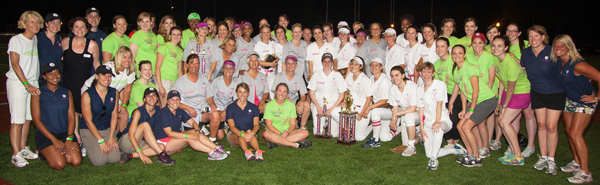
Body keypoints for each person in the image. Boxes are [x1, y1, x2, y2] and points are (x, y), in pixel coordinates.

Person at [553, 34, 599, 183]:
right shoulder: (560, 62)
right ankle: (576, 162)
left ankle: (586, 173)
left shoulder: (578, 64)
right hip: (570, 100)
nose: (558, 48)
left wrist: (596, 98)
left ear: (569, 47)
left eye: (562, 45)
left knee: (575, 134)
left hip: (584, 102)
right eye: (556, 45)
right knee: (569, 132)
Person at [520, 26, 564, 175]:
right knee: (541, 125)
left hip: (555, 93)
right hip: (537, 92)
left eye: (536, 36)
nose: (533, 39)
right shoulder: (526, 53)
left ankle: (551, 160)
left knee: (551, 126)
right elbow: (524, 69)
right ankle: (543, 157)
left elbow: (566, 65)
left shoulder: (552, 51)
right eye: (530, 36)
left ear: (543, 37)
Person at [449, 45, 498, 167]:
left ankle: (476, 158)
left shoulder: (470, 68)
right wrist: (464, 108)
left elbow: (476, 90)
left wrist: (471, 109)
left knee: (466, 127)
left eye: (460, 53)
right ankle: (470, 154)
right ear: (451, 56)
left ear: (465, 55)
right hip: (476, 101)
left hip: (487, 99)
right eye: (454, 53)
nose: (457, 56)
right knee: (460, 126)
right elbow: (463, 91)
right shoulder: (456, 71)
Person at [7, 11, 44, 167]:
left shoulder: (34, 39)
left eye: (37, 22)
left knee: (28, 118)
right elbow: (15, 64)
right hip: (19, 83)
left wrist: (32, 84)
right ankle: (15, 154)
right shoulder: (16, 40)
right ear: (23, 24)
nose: (35, 25)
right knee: (17, 120)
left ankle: (22, 149)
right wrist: (26, 85)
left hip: (32, 83)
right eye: (31, 22)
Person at [31, 62, 82, 170]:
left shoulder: (66, 92)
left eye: (57, 73)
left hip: (64, 133)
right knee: (60, 164)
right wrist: (54, 140)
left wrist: (69, 138)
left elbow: (72, 117)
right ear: (44, 76)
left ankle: (57, 152)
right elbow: (36, 121)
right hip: (47, 135)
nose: (55, 76)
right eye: (50, 74)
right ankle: (42, 152)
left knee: (75, 161)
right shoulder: (38, 93)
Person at [153, 90, 229, 160]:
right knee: (190, 138)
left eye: (177, 99)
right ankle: (212, 152)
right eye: (172, 99)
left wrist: (196, 131)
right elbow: (169, 133)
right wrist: (188, 136)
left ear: (180, 101)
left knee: (193, 131)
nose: (175, 102)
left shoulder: (179, 111)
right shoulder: (163, 113)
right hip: (164, 142)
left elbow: (193, 123)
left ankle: (216, 148)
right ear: (167, 101)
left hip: (175, 138)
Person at [492, 35, 531, 165]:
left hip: (520, 92)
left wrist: (503, 107)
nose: (495, 48)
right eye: (493, 45)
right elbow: (502, 80)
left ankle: (518, 156)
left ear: (506, 47)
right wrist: (499, 98)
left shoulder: (511, 64)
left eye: (499, 46)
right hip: (508, 91)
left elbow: (511, 89)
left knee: (504, 121)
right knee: (502, 122)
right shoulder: (496, 59)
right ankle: (514, 152)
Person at [81, 46, 136, 132]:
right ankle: (89, 135)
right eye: (124, 57)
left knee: (123, 113)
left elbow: (127, 89)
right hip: (91, 89)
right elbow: (96, 84)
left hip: (111, 94)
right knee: (100, 113)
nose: (127, 60)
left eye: (129, 57)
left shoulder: (130, 70)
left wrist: (124, 105)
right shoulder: (109, 67)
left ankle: (121, 136)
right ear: (118, 57)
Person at [174, 54, 223, 145]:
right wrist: (188, 108)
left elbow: (209, 97)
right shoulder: (180, 82)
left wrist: (212, 105)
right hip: (189, 114)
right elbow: (174, 103)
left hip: (203, 110)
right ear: (187, 65)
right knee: (193, 138)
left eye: (197, 63)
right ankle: (199, 128)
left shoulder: (204, 79)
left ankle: (212, 139)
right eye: (192, 63)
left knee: (215, 114)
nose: (194, 66)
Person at [118, 87, 175, 165]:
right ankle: (161, 155)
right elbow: (131, 135)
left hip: (141, 142)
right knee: (145, 125)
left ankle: (130, 155)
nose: (151, 98)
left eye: (154, 95)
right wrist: (141, 153)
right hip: (127, 141)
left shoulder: (158, 110)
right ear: (144, 99)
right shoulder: (138, 112)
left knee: (161, 147)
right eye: (148, 96)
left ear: (157, 98)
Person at [418, 62, 458, 170]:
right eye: (424, 72)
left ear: (433, 73)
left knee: (438, 129)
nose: (426, 74)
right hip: (428, 122)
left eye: (429, 72)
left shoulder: (440, 85)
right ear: (420, 73)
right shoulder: (419, 89)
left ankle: (434, 160)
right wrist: (422, 129)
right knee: (428, 153)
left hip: (443, 120)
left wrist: (437, 121)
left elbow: (440, 103)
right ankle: (454, 150)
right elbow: (421, 109)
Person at [80, 65, 120, 166]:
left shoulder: (114, 92)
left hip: (106, 128)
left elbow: (114, 116)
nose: (107, 78)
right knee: (100, 161)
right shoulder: (87, 95)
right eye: (104, 75)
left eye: (110, 76)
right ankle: (85, 143)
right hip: (89, 129)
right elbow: (88, 121)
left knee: (114, 158)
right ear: (96, 76)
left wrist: (111, 137)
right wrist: (101, 141)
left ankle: (104, 141)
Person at [465, 33, 498, 157]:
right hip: (474, 94)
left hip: (485, 95)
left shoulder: (489, 57)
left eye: (480, 43)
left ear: (484, 44)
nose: (477, 45)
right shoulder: (468, 57)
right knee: (474, 123)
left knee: (481, 123)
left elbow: (491, 79)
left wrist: (480, 98)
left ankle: (486, 148)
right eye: (474, 42)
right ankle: (478, 145)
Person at [62, 17, 101, 115]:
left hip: (84, 84)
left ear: (87, 29)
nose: (79, 29)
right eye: (76, 27)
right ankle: (73, 131)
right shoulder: (65, 42)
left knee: (84, 110)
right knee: (71, 111)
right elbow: (59, 59)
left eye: (82, 27)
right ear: (72, 29)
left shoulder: (92, 45)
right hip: (68, 83)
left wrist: (101, 79)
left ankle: (83, 130)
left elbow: (96, 63)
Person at [432, 37, 462, 150]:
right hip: (443, 95)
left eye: (442, 46)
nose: (440, 48)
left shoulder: (454, 61)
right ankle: (449, 142)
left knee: (454, 118)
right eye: (438, 46)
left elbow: (458, 83)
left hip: (456, 94)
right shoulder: (437, 63)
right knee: (444, 118)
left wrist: (451, 102)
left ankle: (456, 142)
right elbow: (438, 83)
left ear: (448, 47)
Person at [263, 83, 312, 149]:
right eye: (280, 91)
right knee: (266, 134)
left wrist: (287, 132)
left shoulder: (291, 105)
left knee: (305, 133)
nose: (282, 94)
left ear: (287, 94)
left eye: (284, 92)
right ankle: (295, 144)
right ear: (276, 92)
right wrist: (280, 134)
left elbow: (292, 124)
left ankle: (276, 142)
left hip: (288, 132)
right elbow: (269, 125)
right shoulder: (269, 105)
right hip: (274, 132)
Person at [308, 53, 347, 137]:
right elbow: (311, 93)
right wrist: (318, 108)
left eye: (329, 61)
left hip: (333, 105)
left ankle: (327, 121)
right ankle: (324, 122)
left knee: (334, 134)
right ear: (321, 62)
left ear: (332, 62)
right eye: (325, 61)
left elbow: (342, 94)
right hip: (319, 105)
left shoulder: (337, 75)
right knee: (318, 133)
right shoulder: (316, 74)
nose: (327, 64)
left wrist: (332, 110)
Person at [334, 57, 372, 141]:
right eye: (352, 64)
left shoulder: (365, 79)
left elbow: (369, 99)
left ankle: (372, 126)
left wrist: (361, 113)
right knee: (334, 112)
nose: (353, 66)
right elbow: (346, 91)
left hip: (362, 108)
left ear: (361, 66)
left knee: (359, 138)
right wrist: (344, 102)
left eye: (356, 64)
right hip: (351, 107)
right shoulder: (350, 75)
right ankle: (349, 127)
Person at [225, 83, 264, 161]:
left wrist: (252, 133)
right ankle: (247, 152)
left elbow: (256, 125)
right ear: (236, 92)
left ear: (248, 93)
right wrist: (243, 134)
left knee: (249, 131)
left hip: (250, 136)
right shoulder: (230, 107)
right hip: (234, 135)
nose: (242, 94)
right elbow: (232, 127)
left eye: (245, 92)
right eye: (240, 92)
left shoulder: (253, 107)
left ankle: (258, 152)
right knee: (242, 133)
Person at [387, 66, 420, 155]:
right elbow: (395, 108)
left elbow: (413, 108)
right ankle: (419, 137)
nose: (394, 78)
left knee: (408, 117)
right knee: (405, 144)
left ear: (403, 75)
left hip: (418, 113)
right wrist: (393, 122)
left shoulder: (411, 86)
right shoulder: (393, 89)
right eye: (392, 76)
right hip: (404, 114)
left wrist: (396, 115)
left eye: (397, 75)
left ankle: (412, 148)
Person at [361, 57, 394, 147]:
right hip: (380, 110)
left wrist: (369, 107)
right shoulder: (371, 78)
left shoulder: (385, 80)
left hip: (389, 110)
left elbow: (384, 100)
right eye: (372, 65)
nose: (374, 67)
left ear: (381, 67)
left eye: (377, 65)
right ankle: (376, 127)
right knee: (385, 137)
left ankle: (375, 140)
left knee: (374, 112)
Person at [272, 56, 310, 130]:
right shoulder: (279, 76)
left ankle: (302, 127)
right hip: (281, 102)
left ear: (296, 65)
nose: (290, 66)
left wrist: (301, 102)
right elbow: (275, 92)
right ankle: (291, 123)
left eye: (293, 63)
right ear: (285, 65)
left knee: (307, 104)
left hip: (294, 103)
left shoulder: (299, 78)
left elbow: (303, 95)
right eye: (288, 63)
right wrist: (286, 99)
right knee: (288, 101)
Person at [212, 61, 241, 139]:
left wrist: (226, 111)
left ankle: (229, 124)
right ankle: (221, 123)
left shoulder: (236, 83)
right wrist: (219, 111)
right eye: (226, 68)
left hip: (229, 108)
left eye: (230, 68)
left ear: (234, 70)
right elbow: (211, 98)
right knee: (220, 136)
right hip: (217, 108)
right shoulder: (216, 81)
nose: (228, 70)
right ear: (223, 69)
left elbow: (235, 100)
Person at [156, 26, 184, 106]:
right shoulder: (164, 47)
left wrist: (181, 84)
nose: (176, 37)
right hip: (164, 80)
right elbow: (157, 67)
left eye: (178, 35)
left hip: (175, 81)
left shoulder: (180, 50)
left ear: (181, 36)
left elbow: (179, 70)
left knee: (173, 106)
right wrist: (160, 86)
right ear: (169, 36)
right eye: (174, 34)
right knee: (164, 107)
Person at [37, 13, 63, 85]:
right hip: (43, 78)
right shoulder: (38, 37)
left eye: (58, 23)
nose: (55, 25)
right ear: (46, 24)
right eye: (52, 23)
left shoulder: (59, 39)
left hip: (57, 78)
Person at [130, 12, 158, 77]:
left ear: (151, 22)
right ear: (138, 23)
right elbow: (132, 57)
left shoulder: (153, 35)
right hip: (143, 73)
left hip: (154, 71)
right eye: (142, 22)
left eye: (147, 21)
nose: (145, 24)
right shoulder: (136, 36)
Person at [253, 25, 279, 92]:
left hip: (272, 74)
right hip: (261, 73)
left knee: (273, 93)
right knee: (262, 94)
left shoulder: (273, 43)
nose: (266, 34)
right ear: (260, 34)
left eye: (268, 32)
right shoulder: (258, 45)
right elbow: (257, 61)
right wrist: (271, 64)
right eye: (264, 33)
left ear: (270, 33)